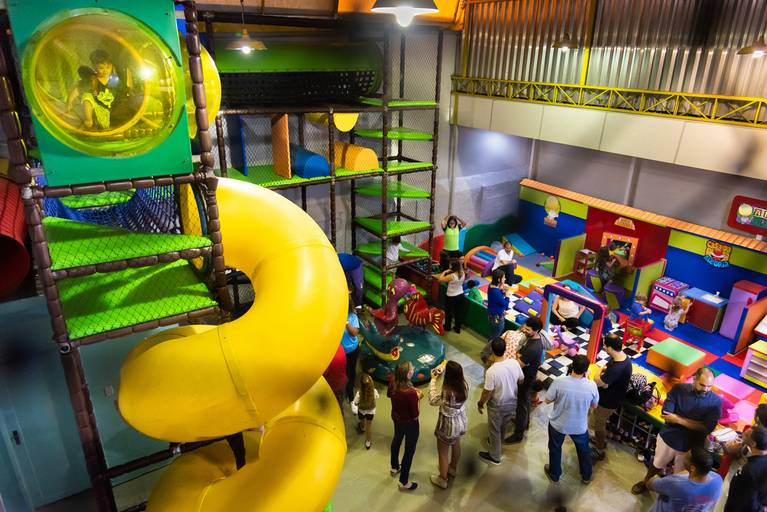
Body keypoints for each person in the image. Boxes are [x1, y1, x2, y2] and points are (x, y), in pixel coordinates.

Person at [631, 367, 722, 495]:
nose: (706, 389)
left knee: (681, 476)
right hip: (669, 438)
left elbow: (707, 428)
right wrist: (695, 423)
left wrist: (679, 419)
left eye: (709, 386)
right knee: (657, 463)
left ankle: (672, 495)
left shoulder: (715, 402)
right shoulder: (678, 389)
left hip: (691, 446)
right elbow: (666, 414)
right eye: (702, 385)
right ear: (694, 379)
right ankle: (646, 482)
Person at [543, 355, 599, 484]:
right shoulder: (591, 385)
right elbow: (594, 405)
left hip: (558, 423)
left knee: (555, 448)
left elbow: (547, 400)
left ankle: (555, 474)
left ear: (572, 366)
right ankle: (586, 476)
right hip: (579, 426)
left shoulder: (559, 382)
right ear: (586, 370)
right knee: (584, 451)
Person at [477, 337, 524, 465]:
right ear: (505, 349)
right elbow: (521, 380)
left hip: (497, 405)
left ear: (492, 351)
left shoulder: (491, 371)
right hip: (512, 402)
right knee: (503, 425)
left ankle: (495, 456)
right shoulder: (514, 363)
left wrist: (480, 403)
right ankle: (497, 443)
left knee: (494, 429)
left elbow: (487, 392)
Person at [590, 333, 633, 461]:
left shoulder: (617, 368)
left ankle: (600, 449)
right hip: (610, 397)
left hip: (607, 402)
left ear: (610, 348)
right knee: (599, 424)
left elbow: (598, 381)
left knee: (598, 425)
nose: (603, 347)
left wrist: (599, 371)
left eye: (605, 345)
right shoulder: (622, 358)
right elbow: (605, 383)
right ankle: (599, 440)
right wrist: (604, 380)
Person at [428, 361, 468, 489]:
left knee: (443, 453)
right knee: (456, 445)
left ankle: (443, 479)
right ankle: (452, 468)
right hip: (460, 422)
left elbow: (432, 400)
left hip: (447, 426)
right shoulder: (464, 385)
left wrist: (433, 380)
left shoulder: (447, 392)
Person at [506, 317, 545, 444]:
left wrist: (518, 356)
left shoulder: (533, 348)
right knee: (526, 400)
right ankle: (524, 422)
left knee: (521, 405)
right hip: (528, 375)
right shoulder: (533, 339)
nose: (524, 330)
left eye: (528, 329)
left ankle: (518, 434)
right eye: (525, 327)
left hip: (526, 379)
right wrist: (519, 355)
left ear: (536, 331)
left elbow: (519, 363)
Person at [647, 447, 723, 512]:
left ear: (693, 468)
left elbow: (650, 484)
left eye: (687, 457)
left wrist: (674, 476)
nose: (684, 456)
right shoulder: (718, 480)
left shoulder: (675, 483)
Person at [388, 362, 421, 491]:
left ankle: (394, 467)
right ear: (408, 374)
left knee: (397, 439)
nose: (413, 369)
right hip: (410, 424)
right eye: (411, 369)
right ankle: (404, 481)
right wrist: (418, 398)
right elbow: (415, 415)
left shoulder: (393, 383)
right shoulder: (411, 393)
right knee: (409, 450)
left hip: (397, 418)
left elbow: (389, 395)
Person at [724, 425, 767, 512]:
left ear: (754, 444)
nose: (743, 434)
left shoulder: (749, 470)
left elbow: (749, 501)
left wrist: (761, 509)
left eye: (746, 435)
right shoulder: (760, 460)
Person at [434, 260, 466, 334]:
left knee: (448, 312)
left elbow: (440, 280)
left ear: (453, 266)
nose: (449, 266)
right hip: (460, 294)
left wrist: (444, 272)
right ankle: (457, 328)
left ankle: (447, 327)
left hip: (451, 296)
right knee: (458, 312)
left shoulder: (451, 276)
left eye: (450, 265)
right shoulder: (462, 273)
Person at [341, 299, 361, 405]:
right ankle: (345, 392)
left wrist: (346, 322)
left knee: (351, 371)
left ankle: (350, 395)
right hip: (340, 352)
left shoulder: (353, 316)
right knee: (343, 372)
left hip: (352, 350)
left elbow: (354, 333)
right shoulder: (336, 315)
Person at [353, 373, 379, 450]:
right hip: (371, 411)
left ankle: (362, 427)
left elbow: (355, 403)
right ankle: (368, 442)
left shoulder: (359, 393)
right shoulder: (374, 391)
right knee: (369, 426)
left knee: (362, 419)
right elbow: (377, 397)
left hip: (362, 410)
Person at [487, 269, 510, 339]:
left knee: (494, 332)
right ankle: (492, 345)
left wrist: (502, 288)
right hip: (497, 316)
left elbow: (497, 299)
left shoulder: (491, 285)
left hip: (493, 313)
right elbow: (505, 305)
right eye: (504, 277)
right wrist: (507, 293)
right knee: (496, 335)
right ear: (499, 279)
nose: (505, 279)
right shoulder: (496, 292)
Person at [323, 342, 347, 409]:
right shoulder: (339, 347)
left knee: (334, 407)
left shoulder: (326, 358)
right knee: (339, 403)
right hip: (342, 382)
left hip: (333, 387)